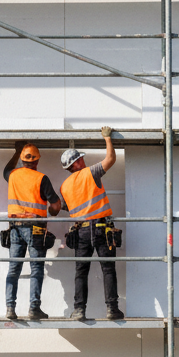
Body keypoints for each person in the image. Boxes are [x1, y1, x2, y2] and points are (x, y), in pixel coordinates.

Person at [59, 126, 122, 321]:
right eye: (81, 159)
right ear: (77, 162)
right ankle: (112, 309)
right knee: (108, 269)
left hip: (81, 232)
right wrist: (107, 138)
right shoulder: (90, 172)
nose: (83, 161)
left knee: (81, 272)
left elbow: (64, 207)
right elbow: (110, 159)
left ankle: (79, 310)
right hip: (102, 228)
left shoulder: (64, 186)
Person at [4, 141, 62, 321]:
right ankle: (34, 308)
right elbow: (55, 206)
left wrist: (16, 152)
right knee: (36, 268)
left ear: (22, 160)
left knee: (14, 268)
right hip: (35, 227)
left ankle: (10, 308)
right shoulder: (41, 178)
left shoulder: (13, 175)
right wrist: (52, 211)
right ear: (37, 161)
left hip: (15, 227)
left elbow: (7, 169)